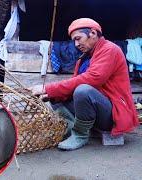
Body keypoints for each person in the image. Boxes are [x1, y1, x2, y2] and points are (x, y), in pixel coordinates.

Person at [29, 18, 139, 150]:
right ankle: (71, 127)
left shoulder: (110, 50)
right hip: (97, 111)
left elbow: (92, 79)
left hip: (112, 115)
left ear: (92, 33)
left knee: (83, 90)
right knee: (55, 95)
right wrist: (51, 92)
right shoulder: (85, 57)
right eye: (74, 40)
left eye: (78, 38)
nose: (75, 44)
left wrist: (47, 87)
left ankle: (80, 135)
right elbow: (72, 85)